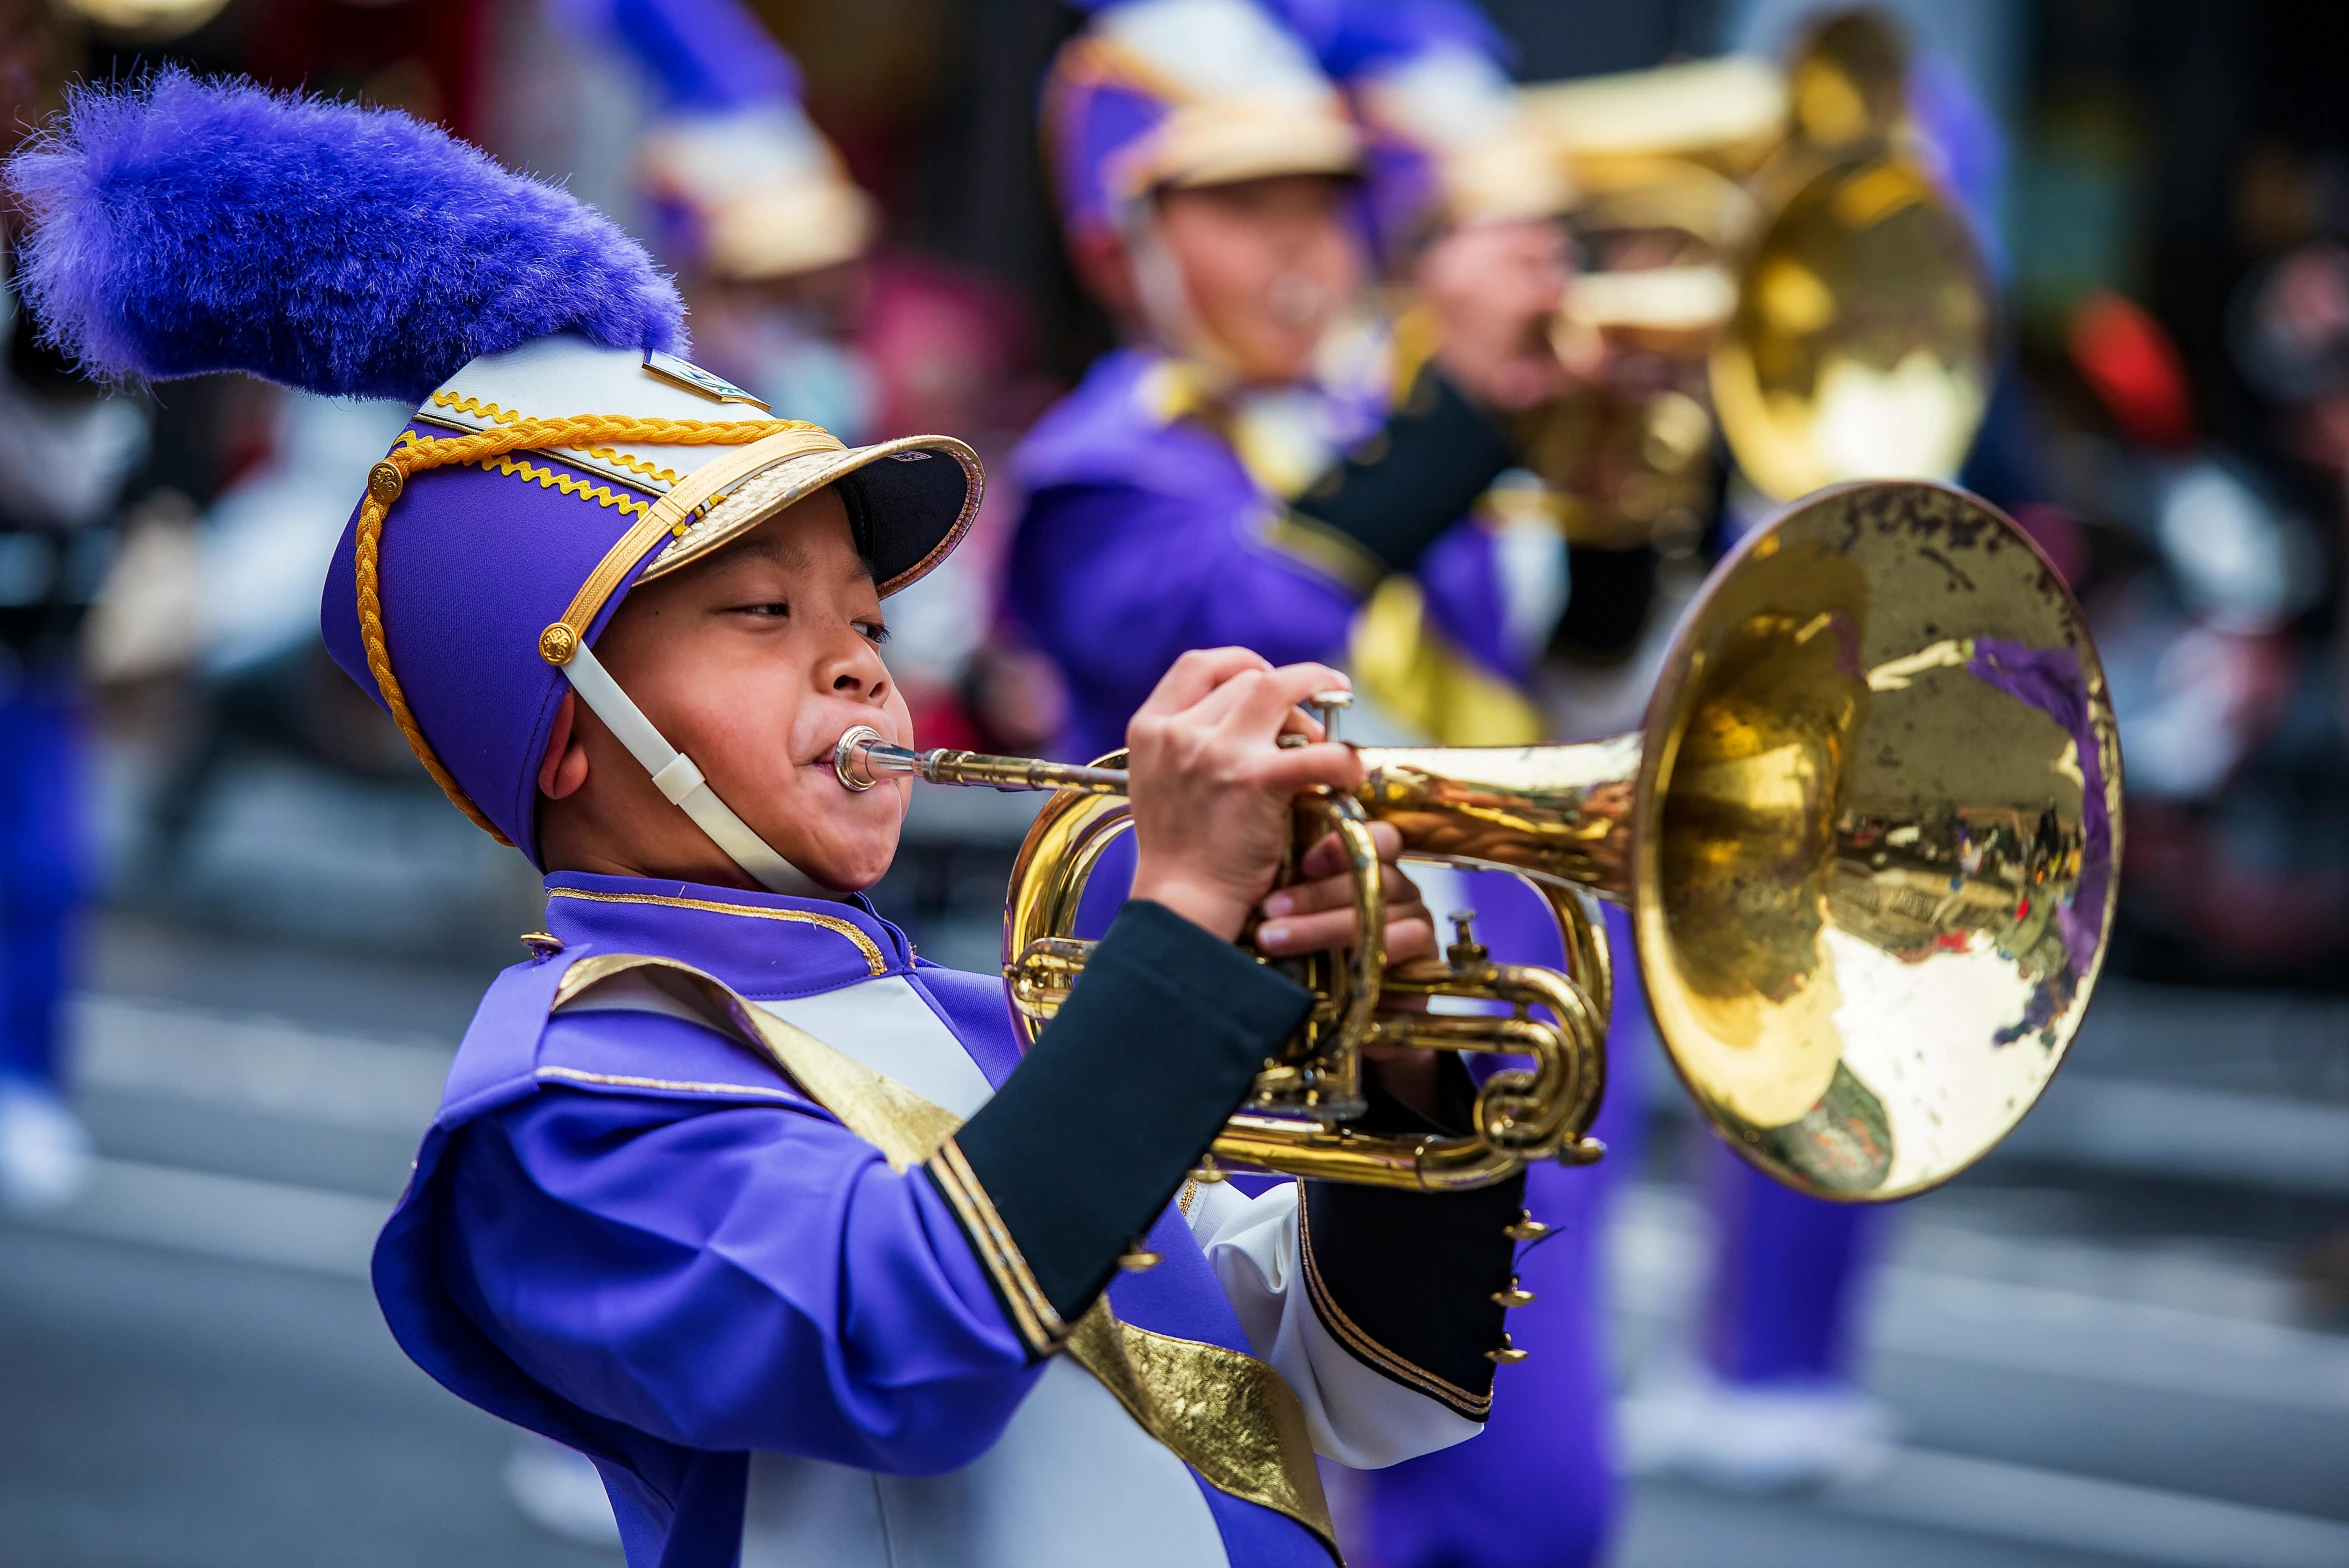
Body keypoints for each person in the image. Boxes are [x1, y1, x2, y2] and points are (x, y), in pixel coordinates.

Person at [9, 70, 1546, 1568]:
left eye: (870, 619)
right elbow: (904, 1341)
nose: (856, 659)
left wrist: (1403, 1070)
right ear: (568, 733)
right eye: (761, 609)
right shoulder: (568, 1105)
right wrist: (1181, 937)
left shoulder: (970, 1020)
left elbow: (1372, 1391)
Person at [1011, 5, 1630, 1561]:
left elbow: (1568, 672)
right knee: (1227, 1489)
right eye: (1241, 206)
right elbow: (1259, 614)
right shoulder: (1103, 465)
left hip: (1467, 1000)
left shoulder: (1386, 428)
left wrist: (1622, 492)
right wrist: (1466, 420)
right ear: (1117, 244)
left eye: (1320, 203)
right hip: (1215, 1018)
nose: (1303, 247)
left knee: (1530, 1503)